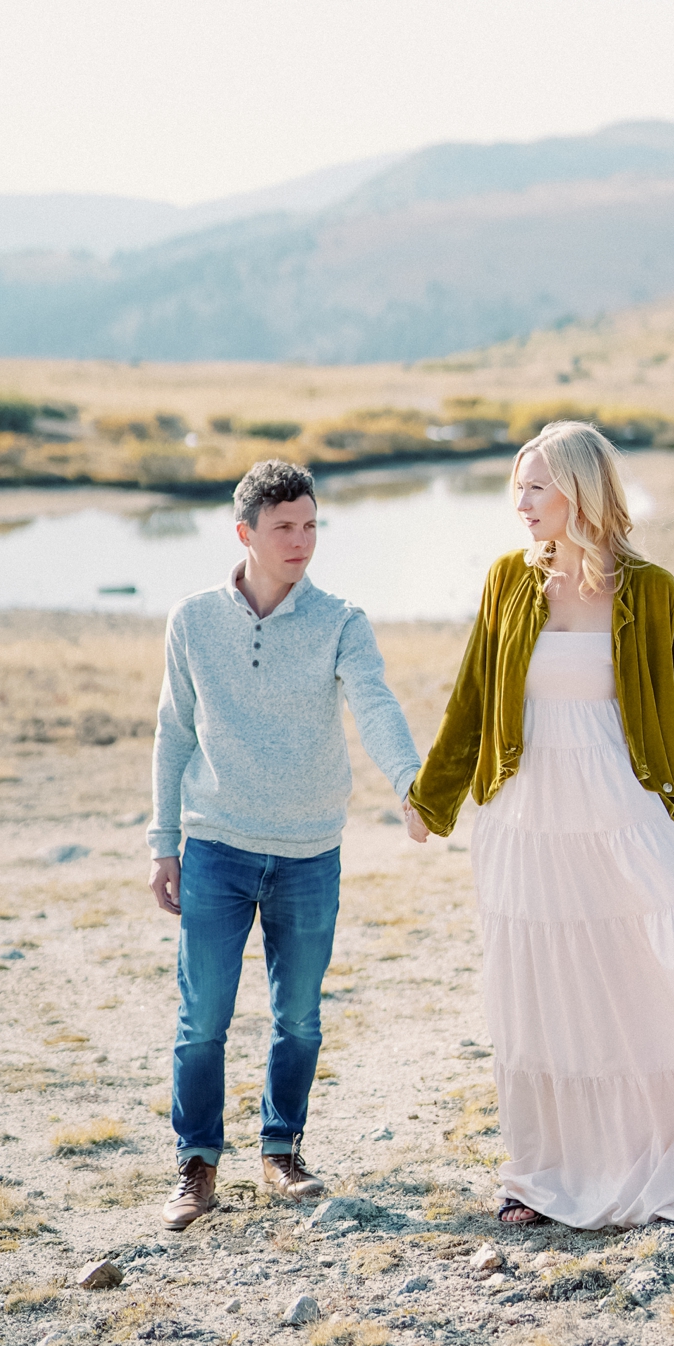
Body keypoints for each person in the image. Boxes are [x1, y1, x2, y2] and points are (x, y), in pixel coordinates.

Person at [402, 420, 674, 1238]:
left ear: (581, 490)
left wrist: (665, 813)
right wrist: (432, 800)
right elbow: (471, 697)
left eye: (537, 485)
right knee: (539, 997)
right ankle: (539, 1175)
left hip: (619, 806)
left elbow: (664, 718)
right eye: (518, 485)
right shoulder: (508, 582)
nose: (521, 501)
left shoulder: (653, 592)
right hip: (526, 819)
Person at [149, 458, 421, 1229]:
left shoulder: (341, 621)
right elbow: (173, 734)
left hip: (309, 850)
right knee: (202, 1016)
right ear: (245, 533)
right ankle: (196, 1164)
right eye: (284, 528)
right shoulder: (193, 620)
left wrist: (409, 782)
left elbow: (375, 703)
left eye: (310, 525)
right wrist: (162, 841)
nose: (301, 541)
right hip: (216, 847)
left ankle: (281, 1150)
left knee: (298, 1014)